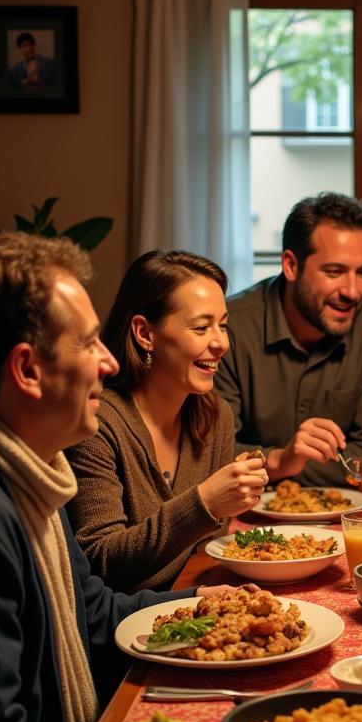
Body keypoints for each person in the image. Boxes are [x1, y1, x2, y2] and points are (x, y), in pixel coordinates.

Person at [0, 233, 243, 722]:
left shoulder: (30, 479)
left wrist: (207, 607)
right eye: (86, 343)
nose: (108, 362)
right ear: (27, 370)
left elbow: (95, 613)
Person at [66, 251, 268, 591]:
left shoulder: (214, 415)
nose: (221, 343)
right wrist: (203, 503)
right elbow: (100, 563)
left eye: (223, 325)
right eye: (202, 327)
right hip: (125, 630)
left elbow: (208, 548)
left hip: (191, 601)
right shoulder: (98, 424)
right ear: (145, 333)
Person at [215, 192, 362, 487]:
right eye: (335, 271)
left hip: (343, 519)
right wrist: (280, 459)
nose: (353, 291)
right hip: (242, 514)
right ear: (291, 266)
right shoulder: (230, 326)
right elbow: (213, 455)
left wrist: (263, 465)